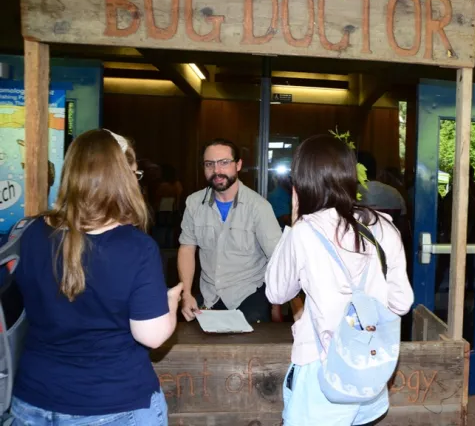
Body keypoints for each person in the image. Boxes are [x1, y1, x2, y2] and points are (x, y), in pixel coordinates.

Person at [10, 129, 183, 426]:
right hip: (113, 405)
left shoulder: (30, 232)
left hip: (33, 401)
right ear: (121, 179)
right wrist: (170, 303)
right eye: (134, 174)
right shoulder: (136, 247)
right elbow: (151, 335)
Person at [265, 134, 413, 426]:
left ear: (302, 183)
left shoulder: (304, 232)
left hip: (321, 375)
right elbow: (402, 302)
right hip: (368, 370)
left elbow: (276, 292)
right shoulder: (383, 226)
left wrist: (294, 223)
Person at [178, 138, 282, 323]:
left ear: (238, 165)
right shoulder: (194, 203)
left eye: (224, 163)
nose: (217, 171)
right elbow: (187, 248)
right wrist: (186, 293)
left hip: (248, 296)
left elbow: (278, 259)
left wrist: (277, 306)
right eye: (210, 164)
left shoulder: (258, 207)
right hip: (209, 297)